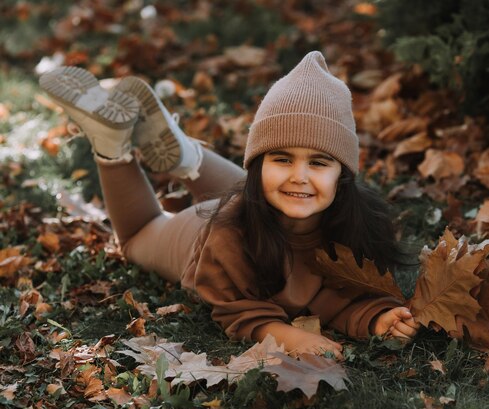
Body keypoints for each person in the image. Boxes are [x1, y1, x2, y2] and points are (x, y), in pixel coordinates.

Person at [39, 51, 420, 359]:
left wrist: (377, 316)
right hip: (200, 236)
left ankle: (185, 155)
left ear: (344, 174)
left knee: (279, 192)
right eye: (281, 157)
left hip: (256, 205)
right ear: (257, 163)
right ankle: (111, 145)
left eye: (319, 162)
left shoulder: (358, 221)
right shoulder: (227, 236)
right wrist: (286, 335)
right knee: (138, 236)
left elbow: (342, 294)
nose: (300, 174)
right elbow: (238, 311)